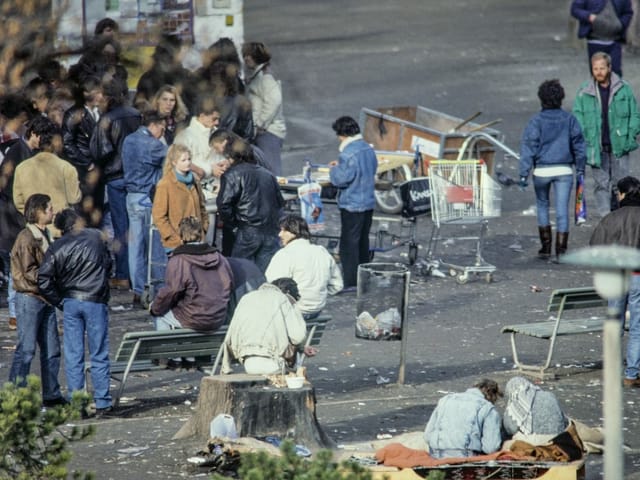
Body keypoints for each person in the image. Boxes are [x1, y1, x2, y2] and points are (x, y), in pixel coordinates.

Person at [38, 208, 113, 416]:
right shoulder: (96, 237)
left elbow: (43, 280)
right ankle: (103, 401)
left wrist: (59, 301)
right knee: (99, 352)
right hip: (95, 298)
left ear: (61, 227)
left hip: (71, 300)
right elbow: (108, 263)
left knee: (73, 354)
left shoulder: (57, 246)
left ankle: (77, 402)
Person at [150, 217, 233, 368]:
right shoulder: (220, 258)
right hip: (217, 316)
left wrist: (154, 308)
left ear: (181, 235)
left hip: (193, 317)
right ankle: (192, 357)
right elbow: (229, 284)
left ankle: (170, 358)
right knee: (186, 309)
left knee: (160, 315)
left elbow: (171, 292)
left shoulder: (179, 260)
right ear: (201, 234)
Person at [8, 194, 66, 407]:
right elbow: (28, 271)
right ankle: (16, 395)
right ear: (39, 212)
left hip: (46, 297)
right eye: (49, 208)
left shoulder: (46, 234)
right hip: (30, 297)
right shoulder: (26, 237)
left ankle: (51, 393)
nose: (53, 211)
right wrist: (50, 277)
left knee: (52, 349)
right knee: (27, 349)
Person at [519, 79, 586, 260]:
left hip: (541, 170)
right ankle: (561, 252)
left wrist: (523, 173)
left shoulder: (536, 121)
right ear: (561, 98)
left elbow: (528, 148)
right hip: (564, 170)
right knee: (562, 210)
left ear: (541, 98)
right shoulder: (570, 119)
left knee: (543, 206)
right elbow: (579, 145)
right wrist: (580, 168)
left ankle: (546, 248)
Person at [572, 51, 640, 217]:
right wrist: (584, 138)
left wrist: (631, 135)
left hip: (620, 144)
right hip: (596, 146)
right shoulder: (584, 92)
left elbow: (635, 114)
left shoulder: (623, 89)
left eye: (602, 68)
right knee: (601, 184)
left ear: (609, 67)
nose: (599, 72)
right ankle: (605, 218)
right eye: (595, 68)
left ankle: (620, 217)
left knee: (621, 183)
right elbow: (577, 118)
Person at [90, 77, 142, 290]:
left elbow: (101, 150)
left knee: (121, 227)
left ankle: (123, 273)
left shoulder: (107, 119)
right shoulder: (136, 115)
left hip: (115, 176)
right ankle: (136, 272)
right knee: (138, 226)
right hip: (136, 176)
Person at [590, 176, 640, 387]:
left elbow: (595, 246)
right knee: (638, 327)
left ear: (621, 194)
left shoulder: (612, 218)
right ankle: (631, 373)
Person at [216, 136, 285, 272]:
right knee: (265, 273)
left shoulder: (232, 174)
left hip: (248, 229)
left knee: (241, 273)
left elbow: (223, 204)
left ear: (231, 156)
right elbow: (279, 202)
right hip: (270, 230)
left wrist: (233, 225)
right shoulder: (268, 174)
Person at [122, 110, 168, 306]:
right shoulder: (154, 145)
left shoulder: (128, 140)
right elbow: (174, 158)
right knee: (154, 246)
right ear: (154, 125)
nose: (162, 133)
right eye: (162, 129)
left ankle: (137, 288)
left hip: (131, 196)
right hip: (147, 198)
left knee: (135, 246)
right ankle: (156, 288)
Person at [223, 278, 316, 375]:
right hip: (273, 363)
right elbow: (298, 337)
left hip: (247, 361)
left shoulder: (246, 298)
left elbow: (229, 337)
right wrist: (294, 308)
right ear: (288, 293)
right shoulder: (282, 299)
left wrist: (226, 366)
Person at [329, 116, 377, 290]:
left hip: (352, 204)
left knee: (349, 245)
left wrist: (334, 169)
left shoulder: (347, 153)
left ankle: (350, 282)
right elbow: (371, 168)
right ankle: (364, 277)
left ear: (343, 134)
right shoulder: (367, 148)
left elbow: (340, 180)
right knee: (362, 242)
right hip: (368, 203)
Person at [265, 214, 343, 319]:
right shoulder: (322, 251)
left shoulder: (285, 254)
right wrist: (317, 292)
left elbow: (271, 286)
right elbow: (337, 285)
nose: (279, 234)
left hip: (292, 312)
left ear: (294, 232)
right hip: (316, 310)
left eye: (284, 231)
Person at [12, 123, 82, 238]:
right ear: (56, 142)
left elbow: (18, 201)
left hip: (34, 230)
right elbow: (74, 198)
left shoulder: (22, 167)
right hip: (60, 228)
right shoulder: (66, 167)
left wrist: (35, 214)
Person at [61, 75, 105, 227]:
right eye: (98, 92)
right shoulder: (73, 114)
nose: (101, 96)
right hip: (83, 170)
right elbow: (67, 143)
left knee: (98, 209)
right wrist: (87, 163)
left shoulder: (101, 113)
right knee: (84, 208)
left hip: (98, 169)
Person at [424, 379, 503, 459]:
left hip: (435, 453)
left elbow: (427, 435)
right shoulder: (487, 407)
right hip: (465, 455)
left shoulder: (445, 400)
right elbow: (490, 448)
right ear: (492, 395)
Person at [152, 143, 209, 251]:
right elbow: (159, 216)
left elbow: (202, 207)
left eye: (189, 159)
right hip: (176, 244)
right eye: (183, 160)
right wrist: (175, 238)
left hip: (198, 241)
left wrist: (203, 229)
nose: (188, 162)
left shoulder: (195, 180)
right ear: (174, 162)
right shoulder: (165, 184)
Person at [242, 42, 286, 175]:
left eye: (247, 55)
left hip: (269, 132)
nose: (245, 59)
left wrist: (261, 123)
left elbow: (275, 100)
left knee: (272, 172)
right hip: (264, 132)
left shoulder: (265, 78)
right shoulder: (258, 76)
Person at [570, 0, 633, 77]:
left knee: (615, 74)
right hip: (594, 41)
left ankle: (615, 89)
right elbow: (575, 9)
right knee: (598, 75)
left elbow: (628, 12)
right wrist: (589, 16)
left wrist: (621, 24)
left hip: (615, 41)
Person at [173, 94, 224, 180]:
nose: (217, 123)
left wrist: (225, 162)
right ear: (202, 116)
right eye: (214, 119)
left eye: (218, 119)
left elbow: (224, 155)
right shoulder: (184, 137)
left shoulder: (218, 133)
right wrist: (209, 170)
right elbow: (178, 163)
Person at [503, 376, 569, 441]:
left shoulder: (517, 403)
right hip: (559, 438)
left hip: (539, 442)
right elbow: (561, 417)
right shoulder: (548, 395)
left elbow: (511, 429)